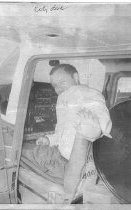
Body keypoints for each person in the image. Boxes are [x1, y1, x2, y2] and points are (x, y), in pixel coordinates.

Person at [34, 63, 112, 202]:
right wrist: (49, 139)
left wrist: (94, 128)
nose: (58, 89)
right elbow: (61, 130)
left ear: (75, 77)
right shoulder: (61, 99)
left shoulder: (90, 93)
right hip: (62, 156)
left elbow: (103, 120)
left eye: (62, 82)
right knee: (36, 151)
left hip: (81, 162)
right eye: (54, 86)